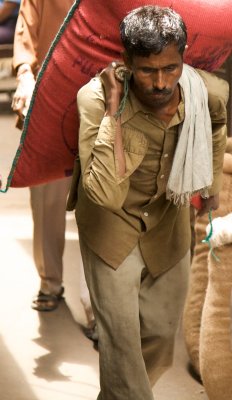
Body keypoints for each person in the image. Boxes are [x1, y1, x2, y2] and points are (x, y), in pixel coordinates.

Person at [68, 5, 229, 399]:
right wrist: (113, 113)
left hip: (165, 224)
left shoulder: (207, 91)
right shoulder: (93, 99)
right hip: (110, 229)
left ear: (183, 57)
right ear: (126, 62)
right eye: (147, 71)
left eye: (170, 68)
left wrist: (208, 183)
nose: (160, 83)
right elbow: (103, 194)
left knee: (158, 338)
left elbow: (217, 121)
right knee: (121, 347)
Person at [11, 0, 95, 337]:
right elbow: (25, 31)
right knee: (46, 199)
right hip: (47, 96)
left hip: (105, 98)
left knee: (101, 206)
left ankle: (98, 305)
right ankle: (50, 282)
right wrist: (24, 75)